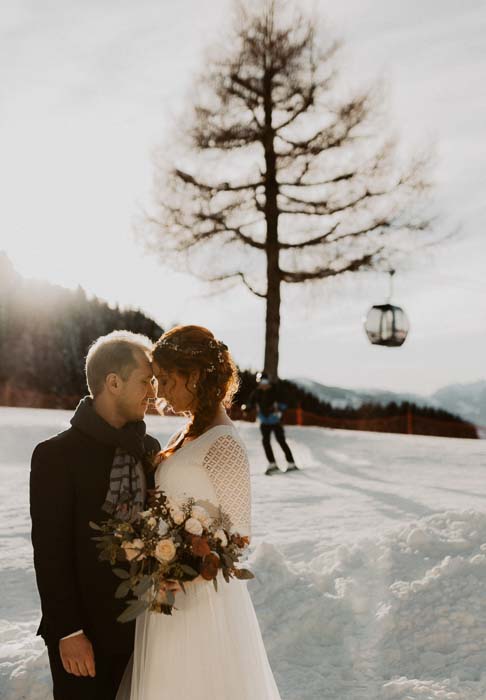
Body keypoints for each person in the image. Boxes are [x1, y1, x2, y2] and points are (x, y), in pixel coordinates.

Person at [116, 325, 282, 700]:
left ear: (193, 376)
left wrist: (186, 575)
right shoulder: (186, 432)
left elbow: (238, 536)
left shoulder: (223, 443)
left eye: (166, 380)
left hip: (202, 600)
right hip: (166, 593)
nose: (160, 392)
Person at [30, 331, 161, 700]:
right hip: (84, 635)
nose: (153, 392)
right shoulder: (56, 455)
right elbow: (50, 553)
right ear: (113, 383)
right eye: (145, 381)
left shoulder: (149, 450)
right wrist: (68, 632)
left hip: (145, 630)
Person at [246, 371, 299, 475]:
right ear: (258, 382)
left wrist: (279, 408)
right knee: (266, 442)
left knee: (281, 441)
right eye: (261, 382)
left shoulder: (275, 390)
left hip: (275, 420)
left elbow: (285, 403)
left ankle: (291, 463)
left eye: (265, 381)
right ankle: (272, 464)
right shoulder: (256, 392)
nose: (263, 384)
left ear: (269, 382)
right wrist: (246, 408)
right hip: (264, 421)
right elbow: (250, 403)